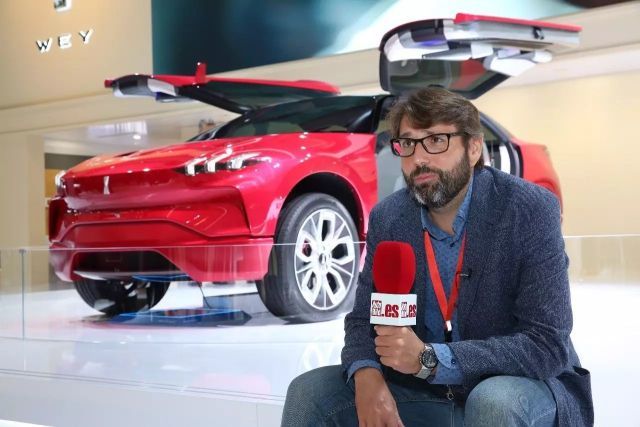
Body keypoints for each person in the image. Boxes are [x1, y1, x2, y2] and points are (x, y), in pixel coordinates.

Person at [280, 87, 593, 427]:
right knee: (308, 393)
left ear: (473, 148)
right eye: (408, 143)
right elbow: (362, 321)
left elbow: (547, 344)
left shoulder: (528, 209)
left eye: (435, 140)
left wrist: (431, 359)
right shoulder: (390, 218)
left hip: (522, 386)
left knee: (493, 402)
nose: (419, 158)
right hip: (426, 390)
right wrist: (366, 374)